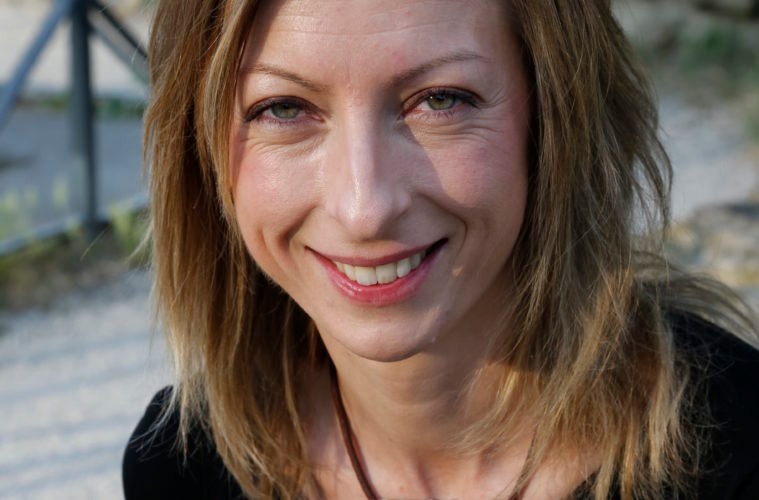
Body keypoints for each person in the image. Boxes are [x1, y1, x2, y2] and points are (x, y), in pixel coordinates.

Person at [122, 0, 759, 498]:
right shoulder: (182, 466)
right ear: (201, 155)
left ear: (556, 120)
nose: (364, 207)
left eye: (441, 100)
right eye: (284, 109)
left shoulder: (739, 451)